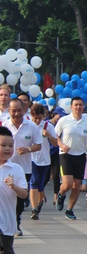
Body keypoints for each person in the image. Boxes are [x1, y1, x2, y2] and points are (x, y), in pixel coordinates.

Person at [4, 99, 42, 234]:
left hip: (23, 169)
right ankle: (8, 224)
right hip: (5, 167)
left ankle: (16, 222)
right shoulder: (4, 126)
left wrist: (28, 149)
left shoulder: (31, 126)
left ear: (24, 110)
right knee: (6, 197)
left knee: (20, 198)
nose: (16, 113)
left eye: (19, 110)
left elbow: (38, 145)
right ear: (9, 111)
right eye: (13, 110)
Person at [0, 126, 29, 254]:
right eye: (3, 145)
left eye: (10, 145)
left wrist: (13, 186)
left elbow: (24, 194)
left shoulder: (15, 169)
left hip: (7, 222)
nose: (8, 149)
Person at [55, 97, 87, 220]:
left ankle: (69, 210)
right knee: (67, 184)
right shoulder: (64, 120)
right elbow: (56, 135)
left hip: (80, 155)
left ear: (84, 107)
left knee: (76, 186)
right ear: (71, 107)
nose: (78, 107)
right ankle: (61, 195)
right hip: (66, 155)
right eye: (76, 105)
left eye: (80, 105)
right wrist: (62, 145)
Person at [29, 104, 57, 220]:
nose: (37, 120)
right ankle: (34, 208)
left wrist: (49, 136)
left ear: (43, 116)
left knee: (40, 186)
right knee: (33, 182)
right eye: (35, 117)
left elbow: (55, 143)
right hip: (31, 159)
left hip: (45, 160)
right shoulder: (28, 125)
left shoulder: (47, 126)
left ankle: (39, 204)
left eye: (39, 118)